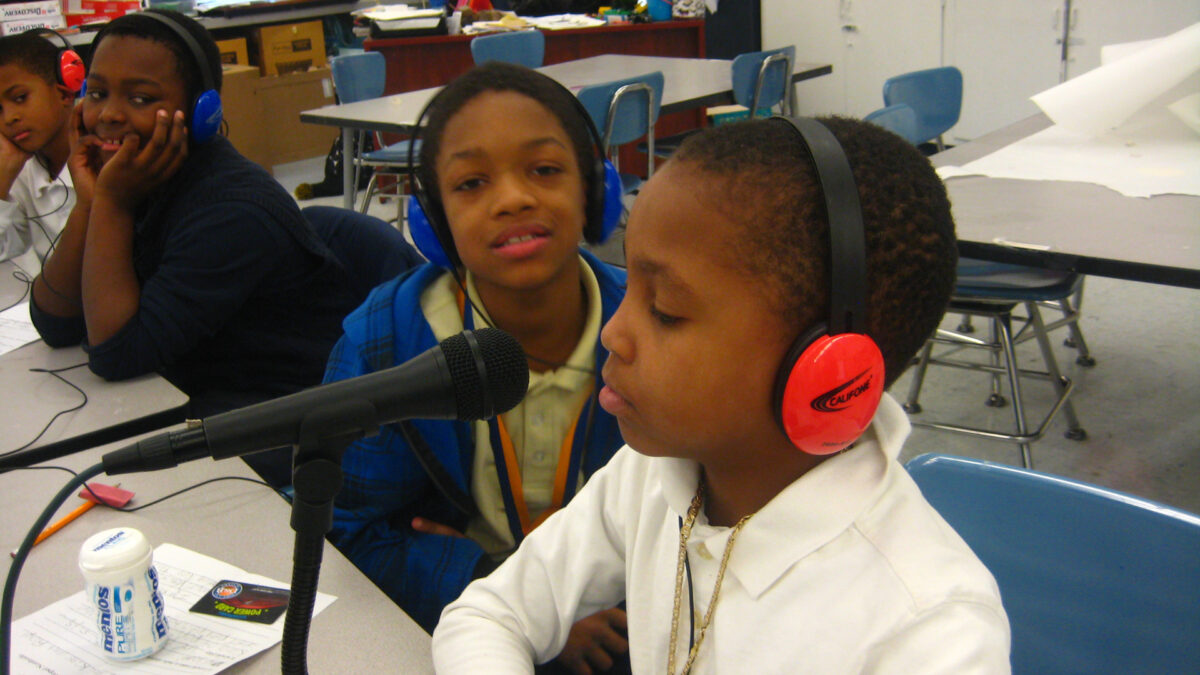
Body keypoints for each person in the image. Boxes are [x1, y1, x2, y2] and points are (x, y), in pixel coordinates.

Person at [432, 117, 1012, 673]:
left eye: (665, 310)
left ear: (827, 370)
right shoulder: (652, 477)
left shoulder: (927, 630)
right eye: (628, 284)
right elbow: (488, 614)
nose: (613, 332)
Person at [324, 62, 630, 672]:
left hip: (631, 633)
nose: (513, 198)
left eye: (544, 170)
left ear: (595, 192)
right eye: (471, 184)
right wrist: (496, 586)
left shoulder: (655, 332)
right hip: (454, 629)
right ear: (433, 221)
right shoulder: (387, 345)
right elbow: (349, 531)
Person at [29, 10, 359, 487]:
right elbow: (54, 323)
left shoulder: (233, 210)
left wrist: (113, 204)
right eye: (97, 93)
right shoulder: (138, 177)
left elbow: (116, 355)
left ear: (202, 113)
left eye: (140, 97)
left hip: (278, 433)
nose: (108, 114)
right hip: (193, 403)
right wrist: (92, 204)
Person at [0, 30, 80, 275]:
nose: (9, 117)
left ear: (65, 93)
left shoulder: (106, 156)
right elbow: (4, 248)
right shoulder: (19, 167)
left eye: (20, 98)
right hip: (57, 304)